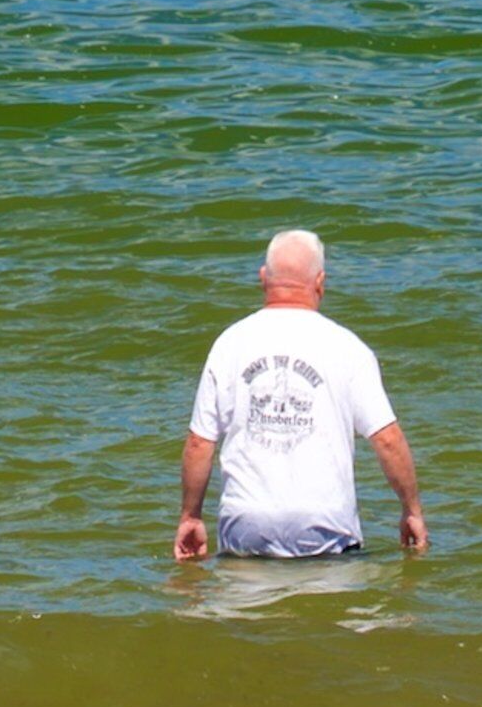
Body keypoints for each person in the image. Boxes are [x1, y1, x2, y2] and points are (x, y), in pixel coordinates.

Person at [174, 229, 427, 559]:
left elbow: (199, 442)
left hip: (247, 525)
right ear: (320, 281)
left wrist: (190, 516)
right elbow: (387, 439)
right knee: (327, 609)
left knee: (246, 607)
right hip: (324, 526)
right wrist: (412, 511)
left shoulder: (229, 344)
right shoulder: (347, 347)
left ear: (263, 278)